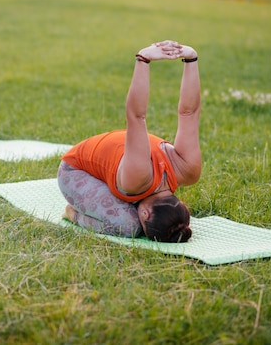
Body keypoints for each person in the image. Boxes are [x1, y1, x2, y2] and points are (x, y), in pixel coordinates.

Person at [57, 40, 201, 243]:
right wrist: (142, 59)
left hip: (116, 167)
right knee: (129, 227)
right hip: (75, 170)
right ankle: (72, 213)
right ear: (146, 215)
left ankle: (77, 211)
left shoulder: (189, 171)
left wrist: (191, 58)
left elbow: (190, 113)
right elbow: (136, 116)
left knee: (127, 222)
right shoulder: (138, 177)